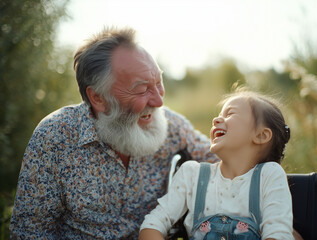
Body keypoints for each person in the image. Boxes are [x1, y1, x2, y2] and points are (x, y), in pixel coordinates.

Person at [9, 27, 218, 239]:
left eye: (158, 83)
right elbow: (30, 232)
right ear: (98, 98)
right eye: (142, 89)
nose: (159, 101)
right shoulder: (54, 136)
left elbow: (226, 159)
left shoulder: (171, 126)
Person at [139, 87, 294, 240]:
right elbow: (152, 225)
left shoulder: (269, 175)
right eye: (219, 115)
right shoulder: (192, 175)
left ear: (261, 135)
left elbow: (278, 234)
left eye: (230, 113)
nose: (216, 120)